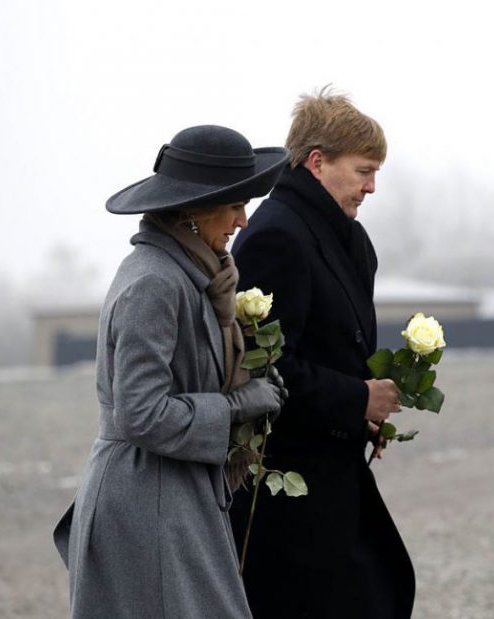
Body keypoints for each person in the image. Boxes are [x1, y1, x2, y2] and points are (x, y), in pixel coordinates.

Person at [53, 125, 290, 618]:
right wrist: (235, 406)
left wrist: (251, 381)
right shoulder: (155, 283)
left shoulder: (190, 274)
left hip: (170, 495)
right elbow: (141, 414)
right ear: (194, 211)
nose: (244, 221)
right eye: (235, 206)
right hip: (146, 502)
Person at [228, 88, 415, 618]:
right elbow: (260, 366)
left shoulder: (343, 236)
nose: (372, 187)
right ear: (317, 162)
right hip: (287, 491)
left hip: (333, 473)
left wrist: (367, 416)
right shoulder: (276, 236)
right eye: (363, 170)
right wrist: (357, 400)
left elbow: (336, 347)